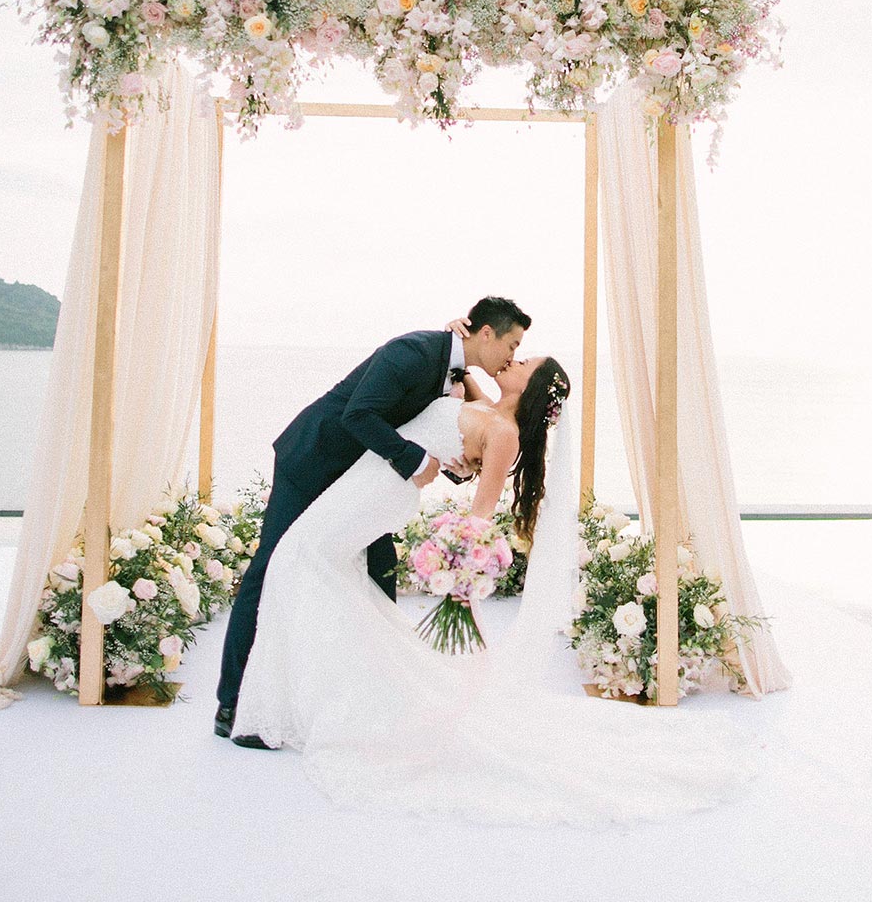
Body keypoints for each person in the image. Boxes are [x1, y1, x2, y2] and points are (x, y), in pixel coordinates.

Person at [229, 335, 756, 829]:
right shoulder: (486, 403)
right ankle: (302, 693)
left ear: (532, 390)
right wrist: (454, 343)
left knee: (298, 561)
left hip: (383, 491)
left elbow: (480, 515)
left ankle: (272, 702)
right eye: (515, 351)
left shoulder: (505, 434)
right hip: (374, 482)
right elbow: (456, 391)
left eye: (523, 364)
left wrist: (458, 567)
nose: (514, 362)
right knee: (309, 569)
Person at [214, 296, 531, 736]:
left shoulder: (452, 372)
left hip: (363, 481)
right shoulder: (414, 352)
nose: (513, 355)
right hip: (313, 463)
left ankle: (376, 694)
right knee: (270, 569)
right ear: (485, 334)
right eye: (512, 344)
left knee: (379, 574)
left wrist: (454, 463)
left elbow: (434, 428)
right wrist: (416, 462)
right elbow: (358, 414)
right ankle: (231, 702)